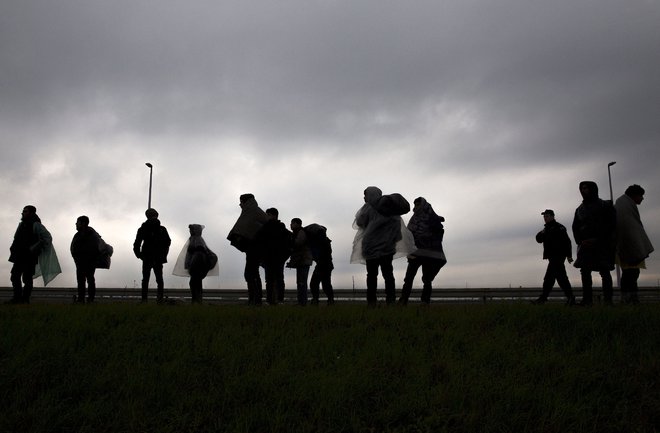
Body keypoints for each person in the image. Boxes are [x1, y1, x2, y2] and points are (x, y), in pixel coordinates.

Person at [351, 186, 415, 306]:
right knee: (388, 275)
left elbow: (360, 222)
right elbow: (397, 230)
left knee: (371, 276)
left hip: (370, 248)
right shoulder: (391, 209)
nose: (364, 198)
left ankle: (371, 302)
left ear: (370, 195)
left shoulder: (368, 208)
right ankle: (390, 301)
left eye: (365, 195)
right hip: (387, 248)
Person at [572, 181, 616, 306]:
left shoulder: (605, 205)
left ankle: (608, 301)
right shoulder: (579, 209)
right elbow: (575, 227)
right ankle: (587, 300)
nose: (583, 191)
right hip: (585, 246)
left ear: (593, 189)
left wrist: (599, 240)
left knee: (604, 271)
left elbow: (611, 225)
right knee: (585, 272)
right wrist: (581, 242)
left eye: (585, 188)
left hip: (602, 244)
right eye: (581, 188)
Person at [398, 197, 447, 306]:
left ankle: (425, 301)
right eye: (415, 205)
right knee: (409, 278)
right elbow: (409, 234)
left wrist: (427, 238)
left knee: (427, 279)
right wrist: (409, 250)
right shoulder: (414, 218)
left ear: (423, 205)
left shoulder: (432, 218)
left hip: (428, 254)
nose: (416, 207)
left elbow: (438, 233)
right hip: (415, 253)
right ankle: (403, 301)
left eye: (418, 204)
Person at [8, 205, 61, 304]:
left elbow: (47, 238)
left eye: (25, 211)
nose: (23, 213)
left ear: (31, 213)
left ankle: (24, 299)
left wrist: (34, 248)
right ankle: (17, 298)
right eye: (23, 211)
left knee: (27, 279)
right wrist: (13, 249)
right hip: (19, 256)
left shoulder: (36, 225)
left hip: (29, 257)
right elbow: (16, 239)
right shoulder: (21, 225)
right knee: (14, 276)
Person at [614, 185, 654, 304]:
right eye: (641, 195)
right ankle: (629, 300)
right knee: (631, 274)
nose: (642, 198)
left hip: (626, 246)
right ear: (634, 195)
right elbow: (628, 228)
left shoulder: (624, 205)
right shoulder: (625, 207)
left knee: (630, 274)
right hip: (629, 247)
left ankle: (628, 299)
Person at [227, 193, 269, 305]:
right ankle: (254, 299)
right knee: (250, 273)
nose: (240, 204)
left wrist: (256, 235)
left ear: (246, 202)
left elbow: (268, 226)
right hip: (251, 248)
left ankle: (256, 299)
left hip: (255, 248)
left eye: (241, 202)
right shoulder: (248, 212)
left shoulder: (255, 211)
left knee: (252, 273)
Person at [532, 209, 575, 305]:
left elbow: (567, 242)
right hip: (552, 257)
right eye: (544, 216)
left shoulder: (559, 228)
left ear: (552, 216)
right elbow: (538, 239)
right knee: (560, 278)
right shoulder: (546, 229)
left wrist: (569, 255)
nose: (545, 218)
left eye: (547, 216)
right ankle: (570, 297)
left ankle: (543, 298)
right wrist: (542, 232)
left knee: (549, 278)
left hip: (558, 256)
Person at [173, 224, 219, 303]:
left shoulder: (197, 239)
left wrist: (192, 260)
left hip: (197, 263)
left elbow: (200, 249)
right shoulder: (195, 238)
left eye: (192, 230)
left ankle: (196, 300)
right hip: (196, 263)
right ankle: (197, 300)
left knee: (194, 282)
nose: (190, 232)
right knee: (196, 282)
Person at [255, 208, 292, 305]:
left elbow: (259, 241)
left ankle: (270, 300)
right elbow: (290, 242)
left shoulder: (265, 227)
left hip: (269, 258)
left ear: (273, 215)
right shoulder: (282, 228)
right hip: (277, 258)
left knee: (270, 280)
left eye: (268, 215)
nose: (266, 217)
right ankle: (279, 300)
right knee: (278, 279)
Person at [133, 208, 171, 303]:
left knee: (147, 279)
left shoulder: (144, 228)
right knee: (158, 279)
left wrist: (139, 255)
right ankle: (159, 299)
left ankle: (145, 300)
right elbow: (167, 242)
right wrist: (163, 253)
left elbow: (137, 243)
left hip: (149, 257)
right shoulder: (161, 229)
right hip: (155, 257)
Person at [70, 216, 102, 304]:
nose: (76, 224)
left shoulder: (91, 234)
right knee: (85, 280)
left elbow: (93, 249)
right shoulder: (82, 234)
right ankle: (84, 299)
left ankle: (86, 299)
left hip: (86, 261)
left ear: (83, 223)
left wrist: (81, 257)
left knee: (87, 280)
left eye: (77, 222)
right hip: (81, 261)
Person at [306, 223, 335, 305]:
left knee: (320, 284)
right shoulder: (324, 241)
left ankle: (324, 300)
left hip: (324, 265)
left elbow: (320, 255)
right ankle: (328, 300)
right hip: (324, 265)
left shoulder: (323, 242)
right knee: (321, 284)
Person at [287, 218, 313, 306]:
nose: (290, 225)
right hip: (302, 260)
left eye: (292, 223)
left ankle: (302, 303)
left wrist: (290, 241)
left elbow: (298, 243)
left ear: (297, 224)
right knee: (300, 282)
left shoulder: (301, 232)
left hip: (303, 260)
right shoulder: (297, 232)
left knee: (302, 282)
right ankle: (301, 302)